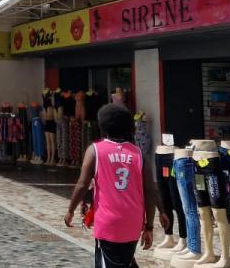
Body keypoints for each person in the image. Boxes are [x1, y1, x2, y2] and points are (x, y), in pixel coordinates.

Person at [64, 103, 166, 268]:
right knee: (124, 260)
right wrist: (149, 226)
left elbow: (83, 184)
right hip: (133, 224)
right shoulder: (138, 154)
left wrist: (70, 210)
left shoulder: (95, 151)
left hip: (109, 225)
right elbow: (149, 191)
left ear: (103, 125)